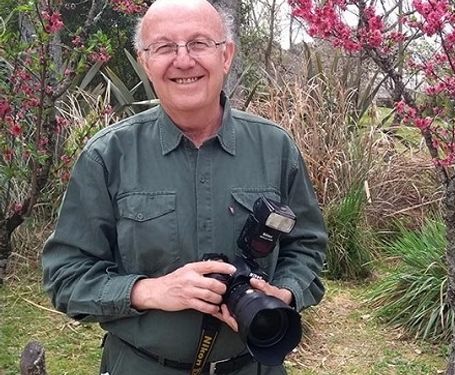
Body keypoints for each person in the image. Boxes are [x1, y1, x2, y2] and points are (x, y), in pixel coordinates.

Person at [41, 0, 327, 374]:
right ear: (145, 61)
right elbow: (65, 275)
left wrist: (286, 291)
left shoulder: (275, 149)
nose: (183, 60)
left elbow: (307, 247)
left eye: (198, 43)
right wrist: (150, 292)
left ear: (226, 55)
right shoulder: (107, 156)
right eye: (163, 47)